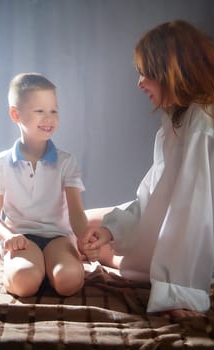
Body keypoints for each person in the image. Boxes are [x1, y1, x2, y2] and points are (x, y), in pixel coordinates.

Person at [79, 20, 214, 318]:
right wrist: (109, 230)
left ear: (170, 71)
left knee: (82, 231)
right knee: (80, 224)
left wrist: (180, 293)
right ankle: (114, 251)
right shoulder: (174, 124)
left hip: (188, 240)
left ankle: (134, 264)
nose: (139, 83)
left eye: (145, 73)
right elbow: (150, 196)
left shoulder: (202, 125)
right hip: (166, 225)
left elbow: (193, 218)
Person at [0, 73, 87, 297]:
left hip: (57, 238)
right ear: (15, 114)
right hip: (21, 239)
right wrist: (8, 236)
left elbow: (76, 212)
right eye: (40, 111)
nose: (49, 118)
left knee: (68, 281)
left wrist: (84, 238)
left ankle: (51, 268)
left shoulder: (66, 161)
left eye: (54, 110)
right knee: (24, 282)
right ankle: (29, 268)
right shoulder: (0, 163)